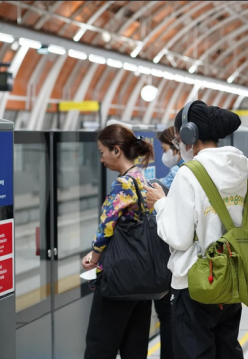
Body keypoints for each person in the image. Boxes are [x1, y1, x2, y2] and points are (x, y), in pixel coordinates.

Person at [143, 100, 248, 359]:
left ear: (190, 135)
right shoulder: (240, 170)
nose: (179, 146)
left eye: (179, 140)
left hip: (196, 284)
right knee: (227, 350)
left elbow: (178, 238)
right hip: (233, 279)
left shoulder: (189, 174)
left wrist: (160, 205)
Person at [83, 124, 154, 359]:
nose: (101, 159)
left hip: (118, 278)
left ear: (116, 151)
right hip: (142, 277)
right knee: (134, 347)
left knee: (99, 345)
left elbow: (107, 226)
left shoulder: (122, 184)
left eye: (102, 152)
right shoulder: (142, 178)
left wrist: (93, 256)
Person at [149, 127, 180, 359]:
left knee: (168, 316)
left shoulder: (179, 173)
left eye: (165, 149)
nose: (164, 155)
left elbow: (154, 189)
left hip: (171, 259)